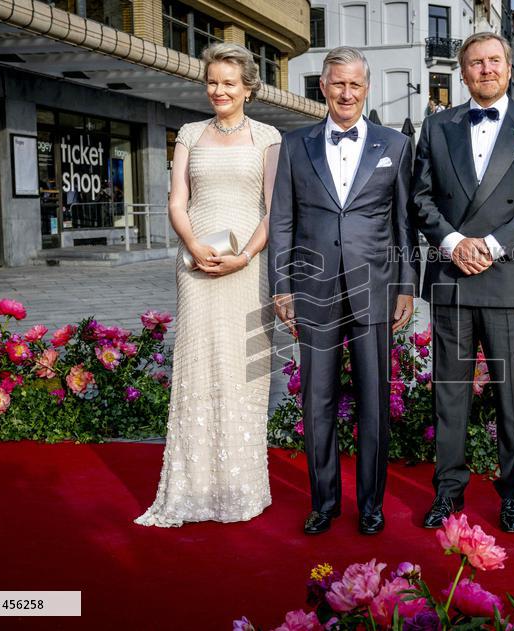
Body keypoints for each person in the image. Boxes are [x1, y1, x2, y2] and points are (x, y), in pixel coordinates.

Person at [412, 31, 514, 533]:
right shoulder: (435, 127)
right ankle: (448, 493)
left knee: (512, 395)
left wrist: (492, 245)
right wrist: (455, 242)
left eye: (494, 60)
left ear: (509, 67)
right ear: (463, 71)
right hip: (453, 276)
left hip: (511, 277)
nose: (486, 70)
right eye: (475, 63)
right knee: (449, 393)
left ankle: (513, 495)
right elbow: (420, 200)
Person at [268, 46, 417, 536]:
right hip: (313, 291)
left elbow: (402, 226)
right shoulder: (295, 146)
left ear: (367, 87)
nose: (346, 93)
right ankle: (324, 501)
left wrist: (405, 287)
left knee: (374, 401)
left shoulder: (395, 146)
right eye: (337, 84)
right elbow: (283, 223)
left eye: (355, 84)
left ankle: (370, 504)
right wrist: (283, 288)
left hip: (374, 289)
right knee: (318, 400)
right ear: (323, 87)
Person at [136, 43, 280, 528]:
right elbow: (177, 201)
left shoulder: (267, 136)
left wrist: (246, 255)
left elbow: (274, 208)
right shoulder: (190, 134)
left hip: (248, 269)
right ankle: (191, 489)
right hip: (195, 267)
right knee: (197, 370)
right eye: (212, 81)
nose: (219, 90)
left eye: (229, 83)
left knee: (244, 371)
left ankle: (241, 489)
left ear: (248, 89)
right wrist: (194, 245)